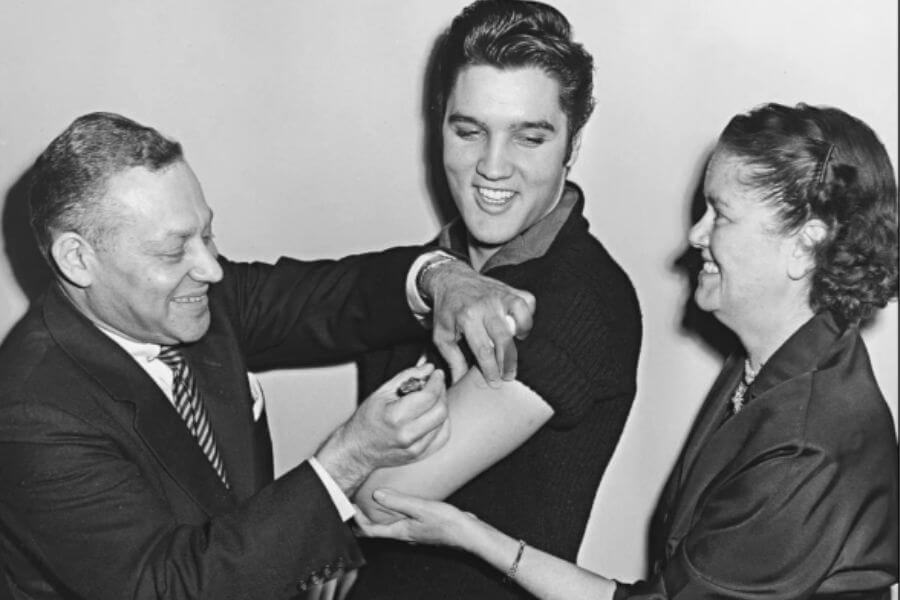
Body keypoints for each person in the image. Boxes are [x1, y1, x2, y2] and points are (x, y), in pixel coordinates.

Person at [358, 101, 900, 599]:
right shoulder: (774, 361)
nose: (695, 235)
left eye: (722, 215)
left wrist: (472, 536)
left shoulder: (805, 442)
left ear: (806, 244)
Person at [0, 111, 538, 600]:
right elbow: (172, 588)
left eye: (207, 235)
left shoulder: (188, 296)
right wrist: (348, 459)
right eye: (173, 250)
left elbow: (333, 297)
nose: (211, 269)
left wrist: (442, 278)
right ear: (77, 258)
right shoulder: (31, 413)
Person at [349, 1, 641, 598]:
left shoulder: (581, 303)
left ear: (572, 144)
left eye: (528, 137)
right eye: (469, 130)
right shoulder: (431, 269)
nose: (492, 167)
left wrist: (331, 534)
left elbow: (377, 496)